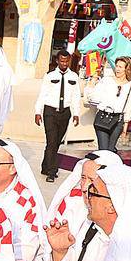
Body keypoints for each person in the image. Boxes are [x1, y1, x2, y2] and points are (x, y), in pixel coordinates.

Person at [34, 50, 83, 183]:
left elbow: (76, 96)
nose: (64, 63)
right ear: (57, 61)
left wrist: (76, 113)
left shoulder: (74, 76)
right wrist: (38, 112)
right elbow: (42, 94)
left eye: (66, 61)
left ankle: (45, 166)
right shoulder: (49, 76)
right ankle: (52, 171)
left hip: (65, 112)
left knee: (56, 143)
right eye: (62, 61)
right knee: (51, 141)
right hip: (50, 112)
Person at [87, 56, 131, 153]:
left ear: (127, 69)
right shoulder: (107, 80)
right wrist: (93, 81)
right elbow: (92, 97)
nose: (117, 69)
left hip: (118, 120)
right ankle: (102, 167)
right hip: (103, 116)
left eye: (120, 67)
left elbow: (128, 106)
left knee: (111, 151)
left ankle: (108, 167)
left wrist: (125, 126)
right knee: (104, 150)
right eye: (117, 66)